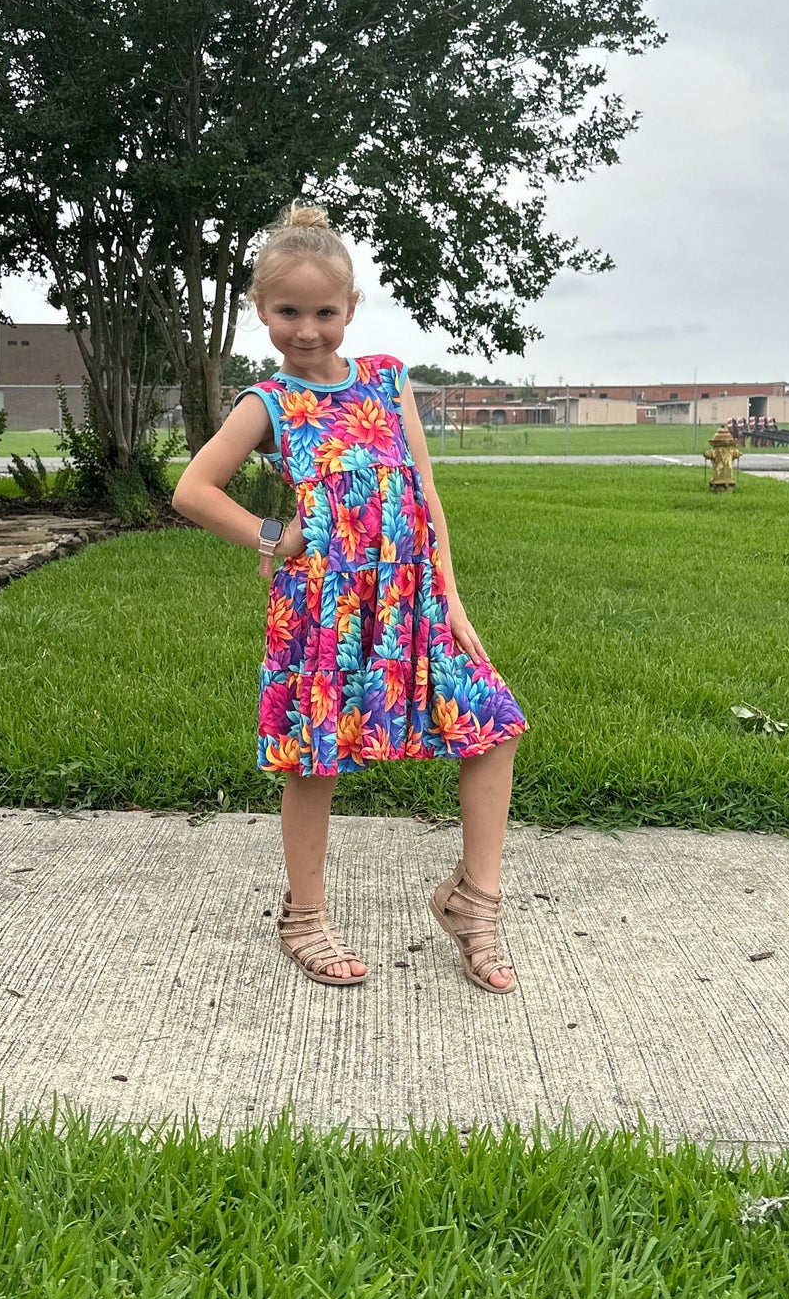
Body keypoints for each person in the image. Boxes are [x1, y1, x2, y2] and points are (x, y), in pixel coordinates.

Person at [172, 203, 528, 994]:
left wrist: (452, 600)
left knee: (493, 725)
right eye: (287, 311)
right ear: (261, 311)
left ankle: (474, 901)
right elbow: (193, 490)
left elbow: (424, 496)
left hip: (412, 601)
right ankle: (303, 916)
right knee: (314, 759)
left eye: (323, 311)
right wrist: (278, 537)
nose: (306, 329)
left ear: (350, 309)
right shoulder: (267, 402)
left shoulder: (388, 381)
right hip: (323, 612)